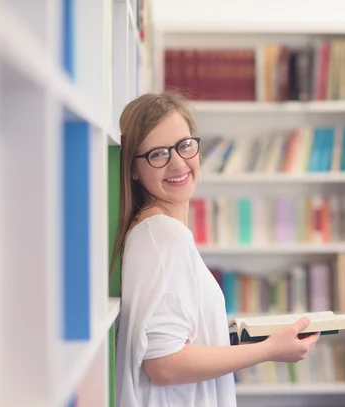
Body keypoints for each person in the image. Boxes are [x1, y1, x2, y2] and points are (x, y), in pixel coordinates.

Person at [111, 91, 320, 407]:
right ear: (133, 169)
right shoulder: (163, 236)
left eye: (184, 145)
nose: (178, 163)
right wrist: (269, 350)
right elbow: (163, 365)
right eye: (158, 154)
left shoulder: (157, 231)